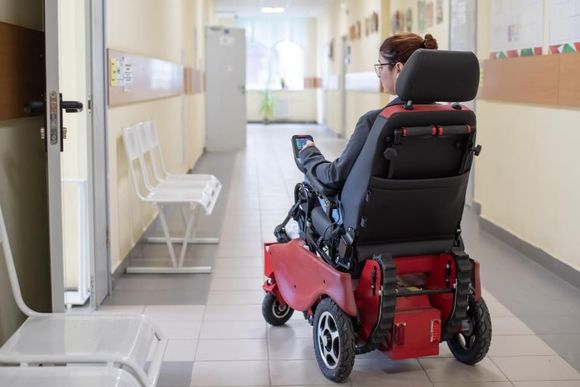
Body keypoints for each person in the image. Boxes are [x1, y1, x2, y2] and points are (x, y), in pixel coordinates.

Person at [299, 33, 438, 190]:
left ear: (398, 68)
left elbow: (335, 177)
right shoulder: (456, 119)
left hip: (382, 211)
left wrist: (309, 154)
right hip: (435, 212)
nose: (379, 75)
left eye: (381, 66)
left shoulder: (375, 120)